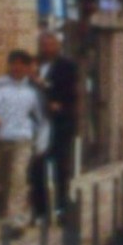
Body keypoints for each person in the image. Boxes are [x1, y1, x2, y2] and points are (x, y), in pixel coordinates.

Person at [0, 47, 48, 221]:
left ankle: (15, 217)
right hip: (2, 138)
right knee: (5, 178)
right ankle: (11, 210)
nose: (17, 68)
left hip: (23, 139)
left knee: (18, 175)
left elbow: (41, 118)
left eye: (21, 65)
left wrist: (41, 142)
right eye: (14, 64)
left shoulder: (34, 90)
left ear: (28, 68)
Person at [38, 42, 82, 219]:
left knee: (61, 166)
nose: (46, 47)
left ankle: (61, 206)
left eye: (50, 44)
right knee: (37, 168)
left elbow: (71, 93)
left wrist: (57, 103)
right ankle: (41, 211)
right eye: (44, 44)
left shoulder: (67, 66)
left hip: (61, 123)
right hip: (37, 125)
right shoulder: (34, 65)